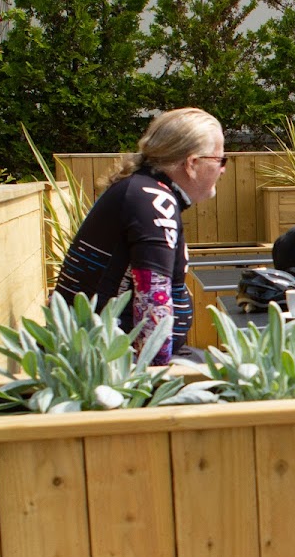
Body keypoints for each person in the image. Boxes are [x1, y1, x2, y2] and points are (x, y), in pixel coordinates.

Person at [52, 107, 227, 365]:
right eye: (220, 160)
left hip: (101, 356)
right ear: (192, 163)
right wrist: (158, 384)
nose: (223, 170)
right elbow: (152, 304)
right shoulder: (155, 202)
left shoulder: (142, 190)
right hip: (108, 369)